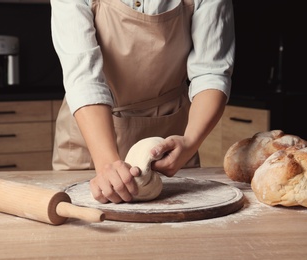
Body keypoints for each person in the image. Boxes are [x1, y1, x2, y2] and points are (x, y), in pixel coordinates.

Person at [50, 0, 235, 204]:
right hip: (90, 137)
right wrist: (106, 163)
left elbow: (211, 72)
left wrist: (190, 141)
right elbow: (84, 78)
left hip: (170, 138)